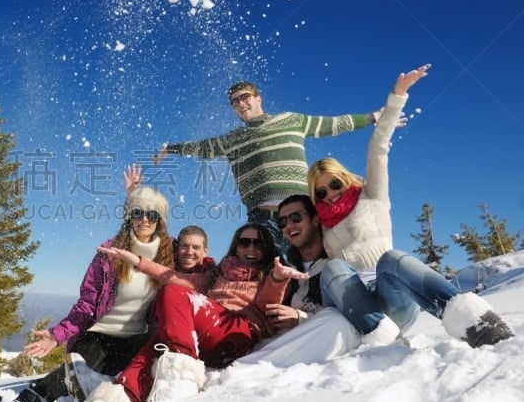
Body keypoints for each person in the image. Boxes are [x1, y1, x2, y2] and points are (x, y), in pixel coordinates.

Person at [310, 64, 514, 348]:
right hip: (354, 305)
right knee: (333, 269)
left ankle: (477, 324)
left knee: (391, 258)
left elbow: (378, 149)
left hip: (391, 297)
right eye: (321, 191)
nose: (330, 194)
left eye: (334, 184)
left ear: (345, 180)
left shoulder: (372, 197)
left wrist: (397, 96)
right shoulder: (321, 223)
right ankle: (383, 339)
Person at [57, 223, 306, 402]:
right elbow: (174, 277)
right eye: (245, 242)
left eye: (257, 242)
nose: (250, 247)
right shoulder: (216, 275)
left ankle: (179, 385)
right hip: (205, 333)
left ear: (266, 247)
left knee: (173, 295)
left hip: (236, 332)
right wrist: (137, 261)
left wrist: (276, 278)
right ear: (236, 246)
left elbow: (265, 306)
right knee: (156, 345)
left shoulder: (268, 273)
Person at [0, 186, 175, 402]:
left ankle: (56, 401)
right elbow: (87, 304)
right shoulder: (108, 254)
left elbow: (197, 264)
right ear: (129, 216)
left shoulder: (170, 254)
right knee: (87, 360)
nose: (144, 219)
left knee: (122, 362)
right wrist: (56, 335)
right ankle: (30, 401)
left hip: (136, 339)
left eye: (152, 215)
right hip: (100, 336)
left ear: (160, 220)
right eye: (137, 213)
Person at [153, 81, 396, 247]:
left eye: (245, 97)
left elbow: (332, 124)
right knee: (268, 276)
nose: (240, 103)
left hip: (304, 213)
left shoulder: (290, 120)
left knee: (313, 273)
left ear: (258, 98)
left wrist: (373, 117)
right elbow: (201, 148)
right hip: (262, 219)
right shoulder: (232, 140)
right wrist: (171, 148)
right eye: (235, 101)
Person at [238, 194, 361, 366]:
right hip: (286, 341)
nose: (289, 225)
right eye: (282, 222)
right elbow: (264, 308)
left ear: (315, 220)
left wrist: (299, 317)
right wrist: (276, 279)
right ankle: (247, 366)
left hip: (331, 334)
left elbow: (353, 312)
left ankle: (249, 368)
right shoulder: (282, 263)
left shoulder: (339, 260)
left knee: (336, 320)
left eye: (296, 217)